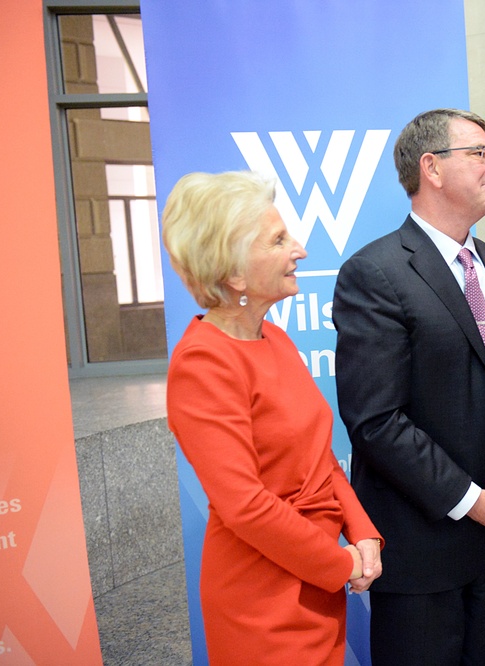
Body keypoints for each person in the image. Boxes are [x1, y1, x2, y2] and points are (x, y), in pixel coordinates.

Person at [332, 108, 485, 666]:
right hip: (424, 557)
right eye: (479, 153)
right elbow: (375, 420)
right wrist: (474, 502)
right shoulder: (375, 273)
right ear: (431, 167)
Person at [162, 170, 383, 665]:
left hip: (316, 579)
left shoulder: (275, 339)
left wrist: (362, 532)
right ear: (235, 273)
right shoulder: (203, 363)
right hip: (262, 598)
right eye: (279, 240)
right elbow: (244, 505)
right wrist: (338, 562)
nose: (299, 249)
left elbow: (319, 459)